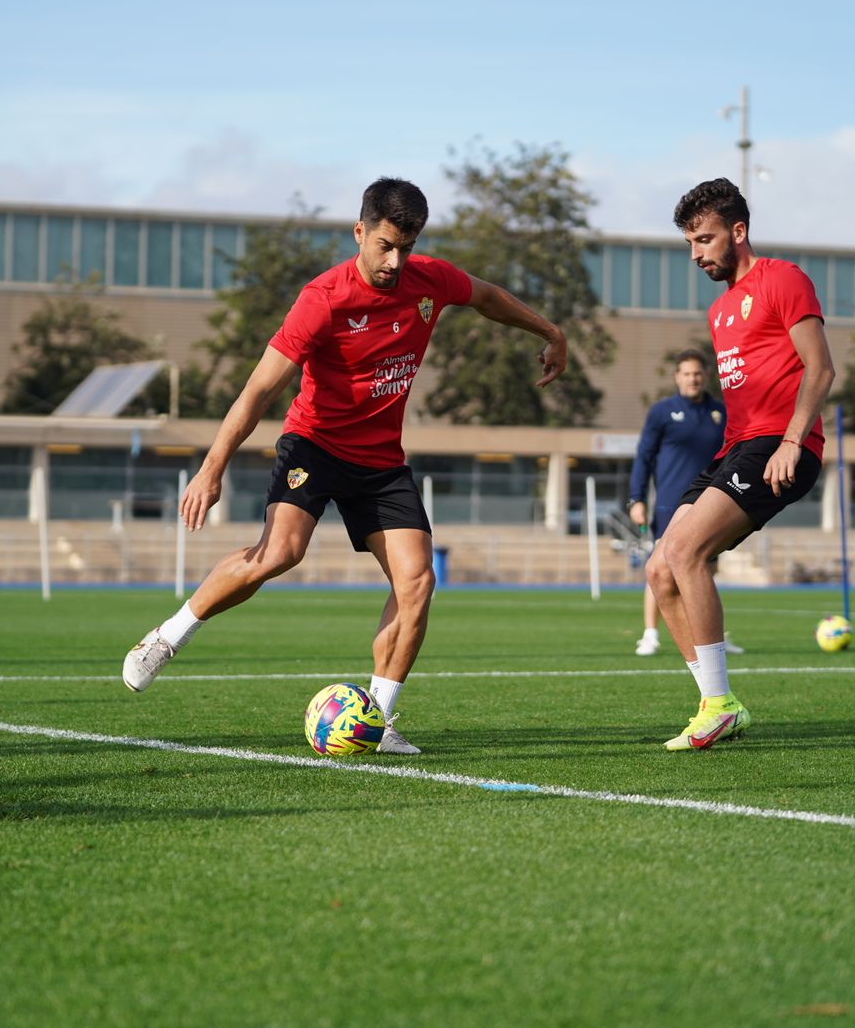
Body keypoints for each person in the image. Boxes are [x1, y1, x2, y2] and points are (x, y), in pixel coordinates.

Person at [121, 177, 568, 755]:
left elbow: (486, 297)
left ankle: (375, 721)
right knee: (280, 553)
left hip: (381, 462)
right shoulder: (322, 299)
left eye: (406, 247)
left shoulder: (431, 279)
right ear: (360, 232)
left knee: (417, 580)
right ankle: (167, 636)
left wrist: (551, 332)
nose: (395, 260)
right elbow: (259, 390)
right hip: (314, 444)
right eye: (384, 245)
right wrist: (212, 467)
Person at [645, 178, 835, 751]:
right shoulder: (721, 308)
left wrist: (793, 441)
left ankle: (722, 704)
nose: (696, 253)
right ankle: (715, 702)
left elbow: (820, 368)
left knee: (685, 553)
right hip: (735, 449)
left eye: (704, 239)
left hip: (780, 446)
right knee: (659, 570)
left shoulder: (782, 279)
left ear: (739, 231)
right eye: (689, 243)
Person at [625, 350, 741, 657]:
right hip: (670, 504)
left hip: (711, 503)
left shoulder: (720, 413)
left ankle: (712, 635)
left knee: (706, 568)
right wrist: (636, 498)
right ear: (677, 377)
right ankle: (650, 634)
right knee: (660, 568)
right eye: (687, 373)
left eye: (698, 373)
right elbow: (644, 457)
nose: (693, 378)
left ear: (705, 376)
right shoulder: (662, 412)